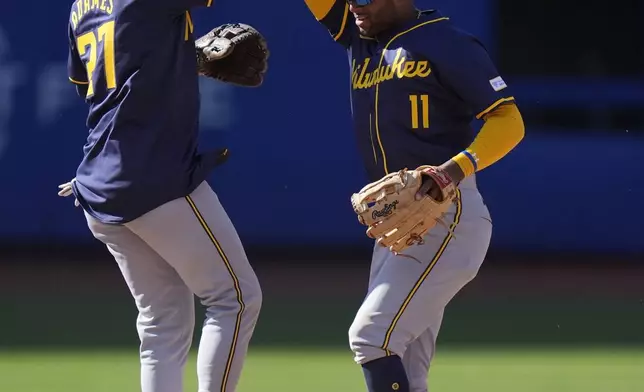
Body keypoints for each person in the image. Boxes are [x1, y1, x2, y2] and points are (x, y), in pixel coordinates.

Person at [303, 1, 525, 391]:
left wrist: (452, 170)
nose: (354, 4)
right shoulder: (361, 35)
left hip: (446, 212)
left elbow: (509, 120)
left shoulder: (446, 41)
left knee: (372, 338)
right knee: (404, 364)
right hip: (396, 223)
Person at [59, 1, 263, 391]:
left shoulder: (79, 7)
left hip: (98, 182)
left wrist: (177, 56)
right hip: (153, 177)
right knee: (236, 298)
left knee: (162, 323)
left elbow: (92, 86)